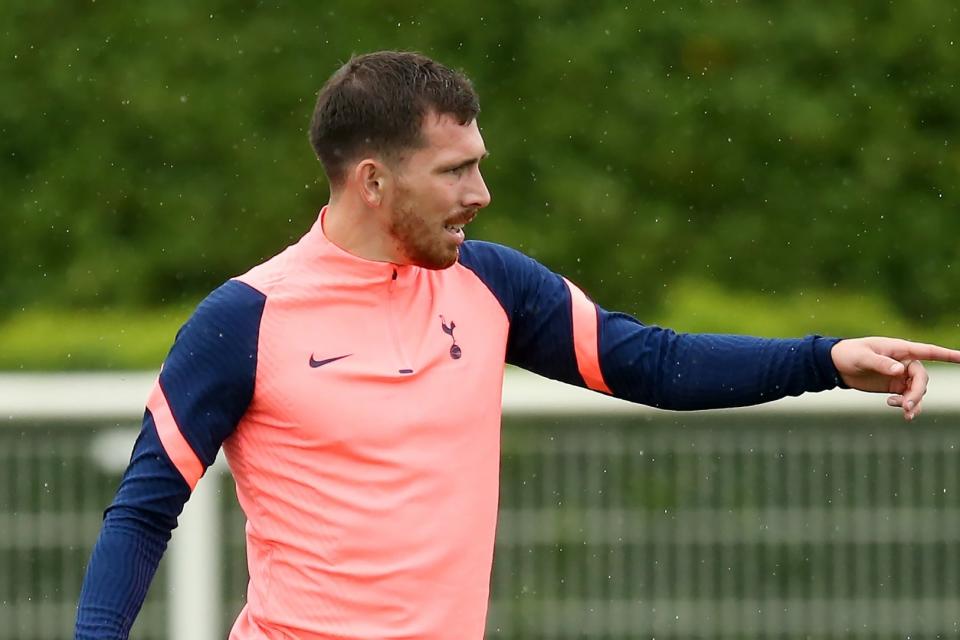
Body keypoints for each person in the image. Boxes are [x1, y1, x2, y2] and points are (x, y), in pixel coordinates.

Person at [75, 50, 960, 640]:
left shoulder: (491, 285)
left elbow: (652, 362)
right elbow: (145, 510)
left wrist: (823, 358)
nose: (483, 192)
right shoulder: (244, 318)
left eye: (481, 163)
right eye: (456, 170)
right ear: (375, 181)